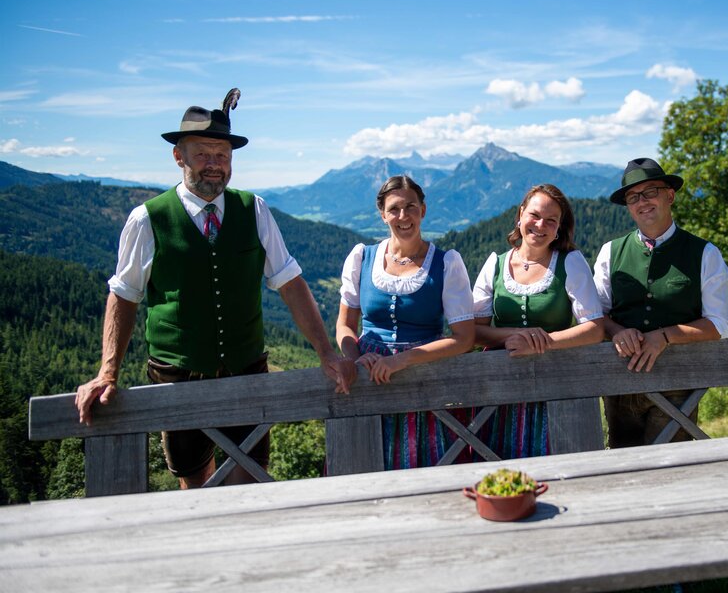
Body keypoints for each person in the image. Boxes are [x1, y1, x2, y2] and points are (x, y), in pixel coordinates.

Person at [75, 89, 355, 489]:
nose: (214, 165)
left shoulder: (253, 209)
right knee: (195, 487)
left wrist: (325, 352)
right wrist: (107, 373)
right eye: (202, 154)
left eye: (222, 156)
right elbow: (124, 296)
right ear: (179, 156)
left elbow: (290, 283)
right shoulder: (147, 219)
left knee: (250, 481)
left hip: (247, 371)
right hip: (177, 376)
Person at [336, 175, 475, 470]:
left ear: (423, 210)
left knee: (427, 461)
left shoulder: (447, 262)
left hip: (426, 377)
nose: (403, 216)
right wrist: (356, 358)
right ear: (383, 215)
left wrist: (403, 361)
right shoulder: (362, 257)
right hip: (368, 377)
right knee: (366, 465)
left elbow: (464, 338)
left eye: (410, 207)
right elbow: (345, 326)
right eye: (395, 209)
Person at [593, 157, 728, 447]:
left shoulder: (705, 253)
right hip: (621, 383)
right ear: (628, 207)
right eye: (633, 197)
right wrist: (617, 331)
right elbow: (596, 316)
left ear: (669, 195)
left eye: (650, 192)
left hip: (679, 385)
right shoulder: (610, 252)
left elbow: (720, 324)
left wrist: (666, 336)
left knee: (673, 466)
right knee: (623, 465)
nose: (642, 202)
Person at [472, 184, 604, 459]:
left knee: (556, 457)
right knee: (499, 457)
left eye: (551, 220)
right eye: (534, 215)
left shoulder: (570, 262)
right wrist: (509, 337)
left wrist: (542, 343)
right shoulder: (495, 264)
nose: (540, 225)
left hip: (556, 379)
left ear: (559, 228)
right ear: (520, 215)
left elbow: (594, 328)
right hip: (500, 384)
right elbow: (473, 331)